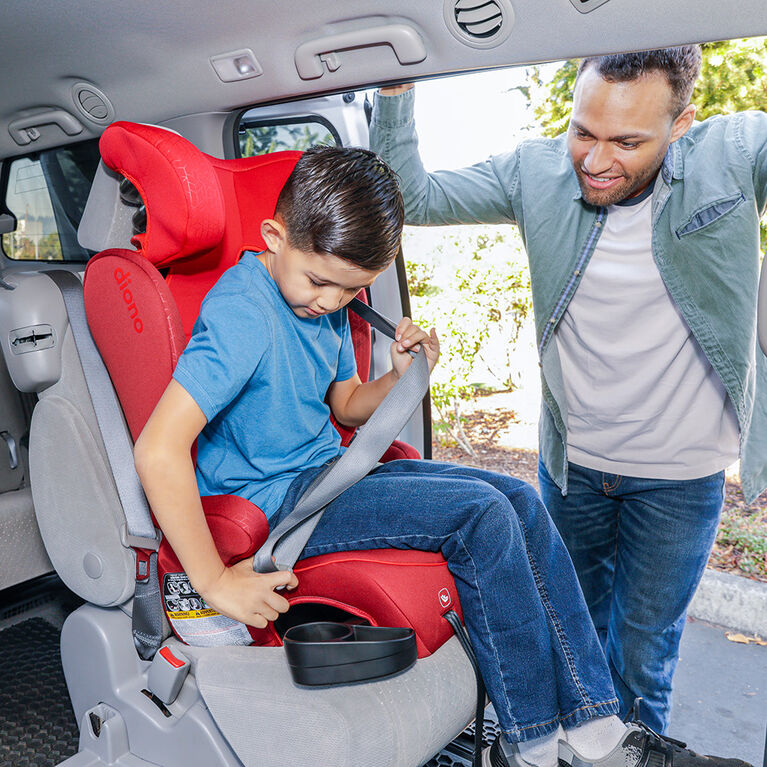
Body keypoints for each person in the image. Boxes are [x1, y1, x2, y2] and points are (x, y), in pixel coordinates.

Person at [134, 145, 752, 767]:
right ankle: (533, 745)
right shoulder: (244, 310)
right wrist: (215, 580)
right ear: (275, 235)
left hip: (330, 474)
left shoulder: (319, 306)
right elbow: (159, 447)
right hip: (279, 503)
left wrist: (402, 376)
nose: (328, 302)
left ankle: (596, 733)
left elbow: (346, 405)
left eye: (350, 291)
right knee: (481, 515)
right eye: (320, 282)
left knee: (517, 498)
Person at [369, 45, 767, 733]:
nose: (595, 158)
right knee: (566, 641)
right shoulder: (536, 171)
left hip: (679, 481)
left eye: (627, 140)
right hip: (572, 470)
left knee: (640, 663)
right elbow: (411, 192)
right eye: (584, 131)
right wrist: (396, 85)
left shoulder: (731, 151)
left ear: (680, 124)